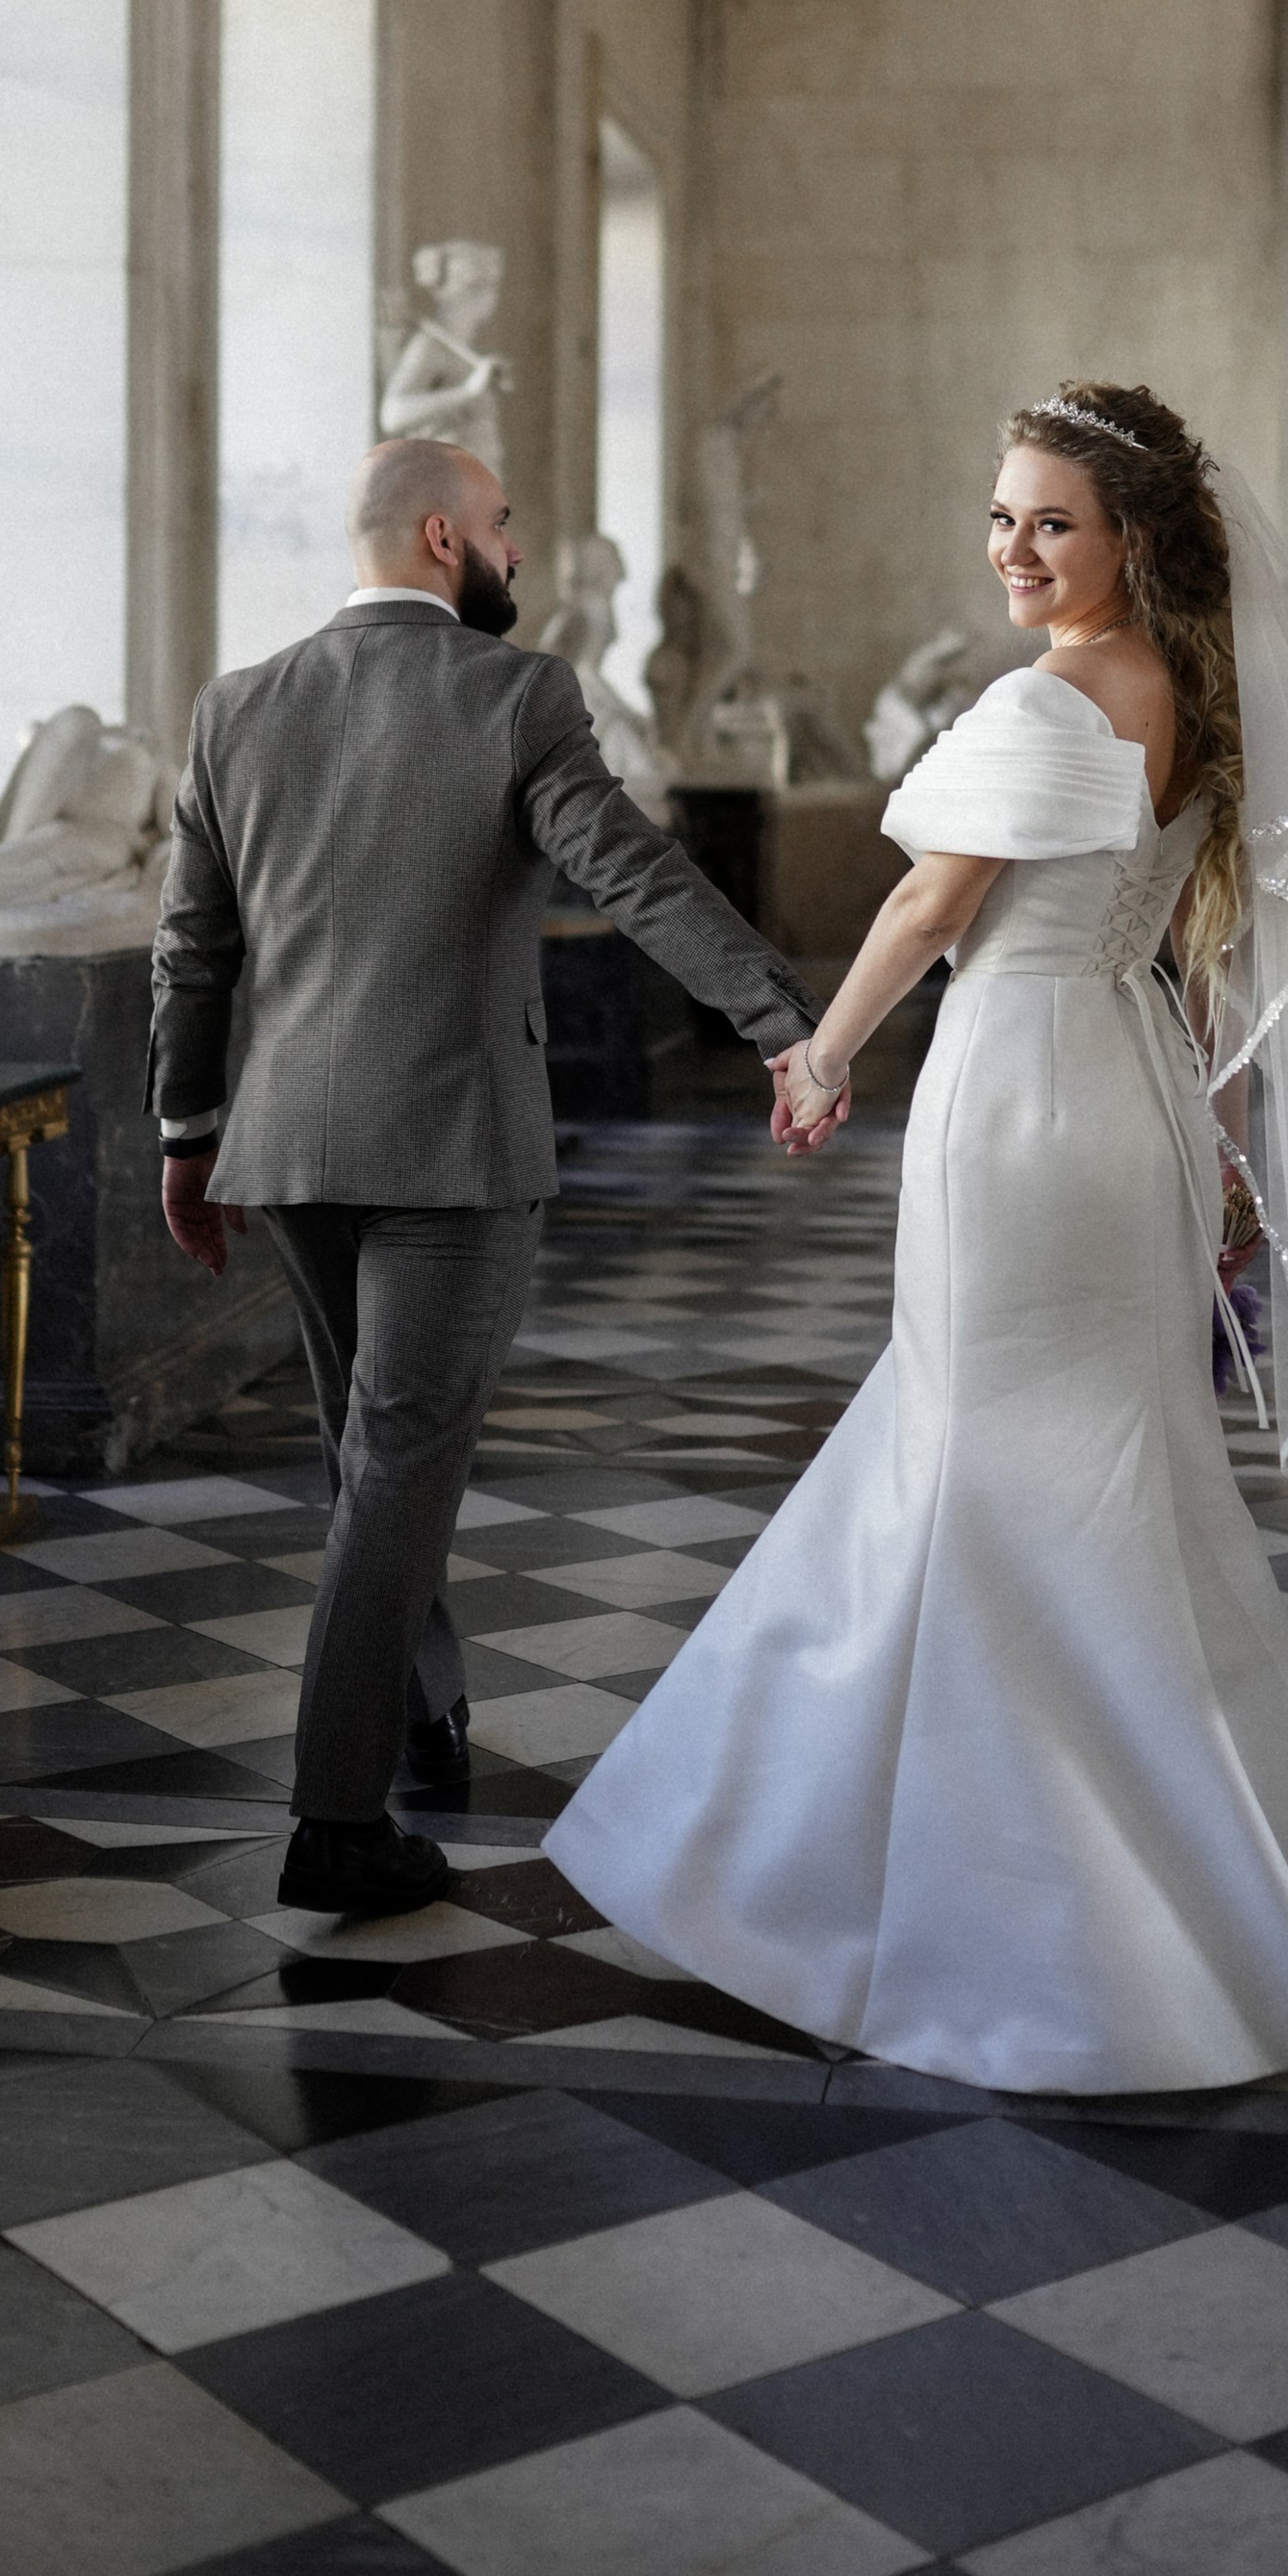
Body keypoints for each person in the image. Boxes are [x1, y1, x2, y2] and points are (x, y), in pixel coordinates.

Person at [546, 383, 1288, 2093]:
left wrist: (822, 1053)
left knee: (984, 1459)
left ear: (1132, 538)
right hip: (1127, 1094)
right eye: (1002, 517)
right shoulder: (1189, 693)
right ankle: (1197, 1920)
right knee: (1116, 1474)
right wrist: (1223, 1135)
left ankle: (974, 1923)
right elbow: (1198, 954)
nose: (1015, 550)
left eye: (1053, 521)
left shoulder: (1056, 698)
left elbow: (930, 901)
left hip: (1027, 1103)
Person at [149, 434, 820, 1921]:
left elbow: (193, 949)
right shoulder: (517, 696)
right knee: (397, 1456)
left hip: (289, 1144)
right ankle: (335, 1823)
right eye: (504, 525)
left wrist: (186, 1136)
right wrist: (786, 1024)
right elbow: (631, 870)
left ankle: (420, 1708)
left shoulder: (235, 705)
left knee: (371, 1451)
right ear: (443, 539)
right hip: (449, 1144)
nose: (519, 550)